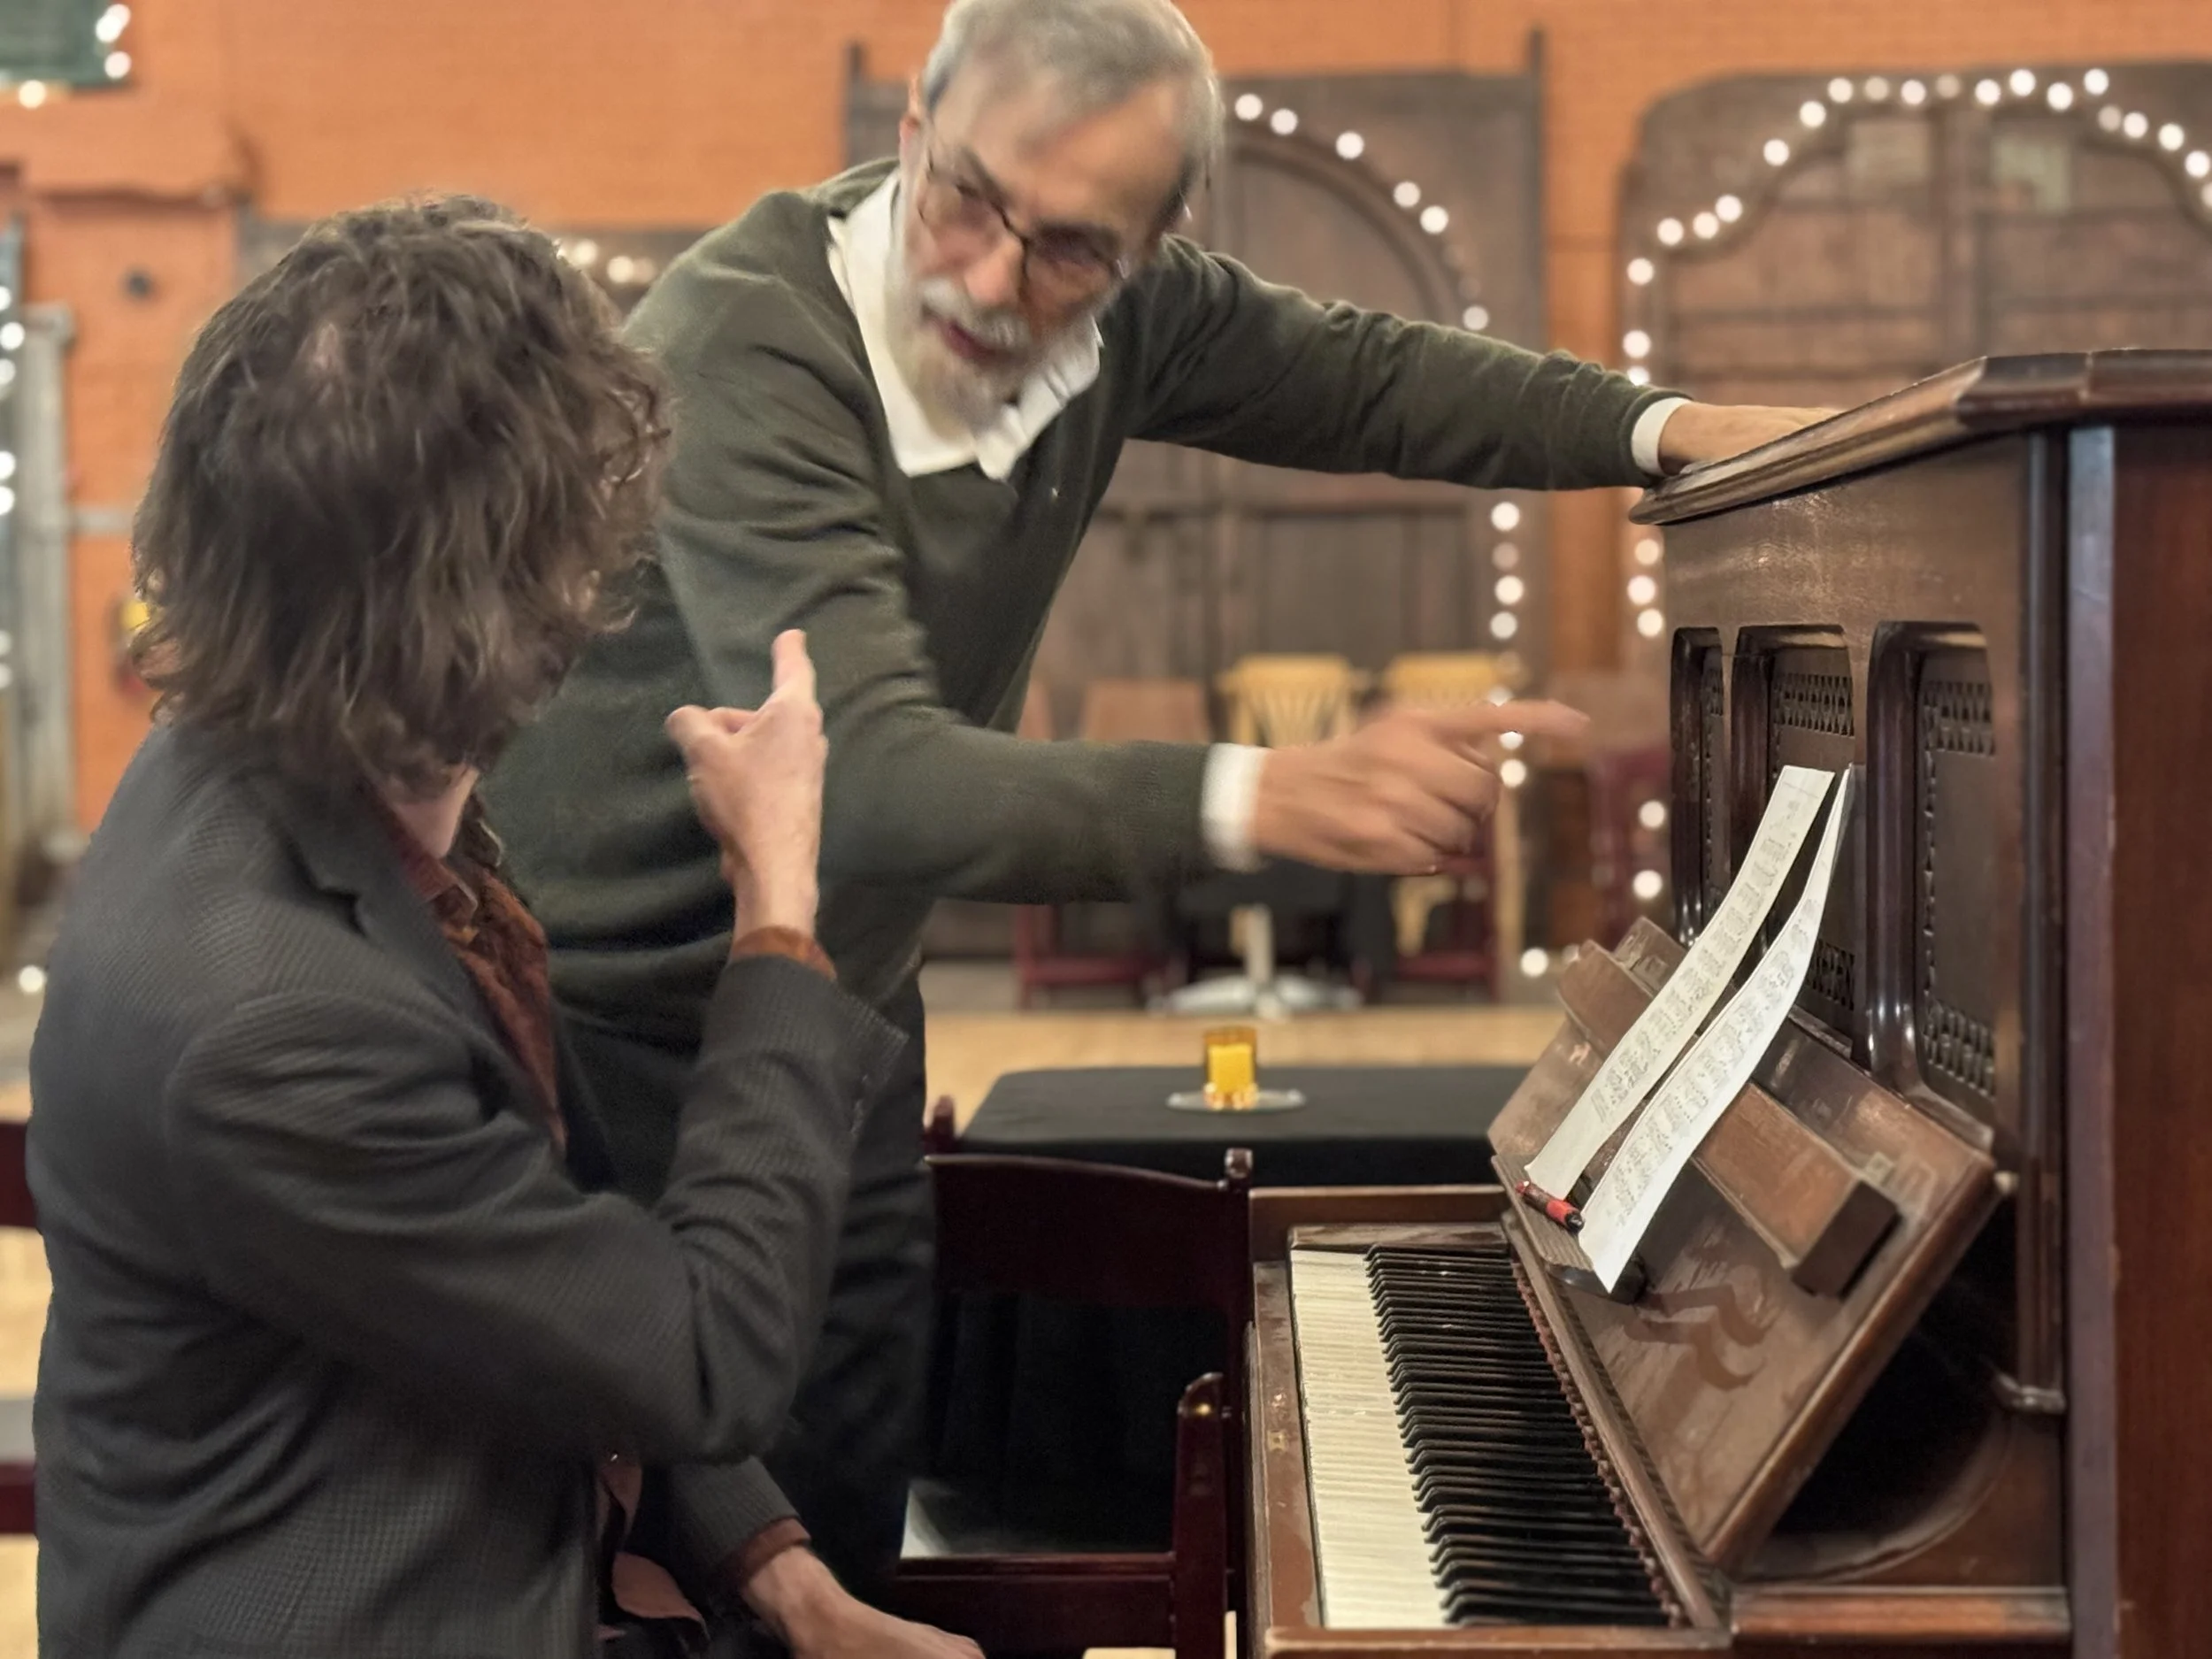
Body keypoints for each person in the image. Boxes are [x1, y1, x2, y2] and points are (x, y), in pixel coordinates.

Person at [480, 0, 1833, 1599]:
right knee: (661, 1543)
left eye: (1070, 250)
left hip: (840, 998)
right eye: (966, 199)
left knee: (840, 1513)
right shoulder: (747, 342)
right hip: (616, 1013)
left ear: (1151, 249)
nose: (993, 281)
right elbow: (869, 779)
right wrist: (1263, 796)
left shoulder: (1131, 318)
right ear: (912, 134)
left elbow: (1376, 379)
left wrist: (1660, 429)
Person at [28, 197, 977, 1659]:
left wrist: (777, 1568)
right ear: (509, 597)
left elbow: (548, 1270)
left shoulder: (305, 760)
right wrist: (780, 905)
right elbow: (704, 1357)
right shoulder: (271, 1018)